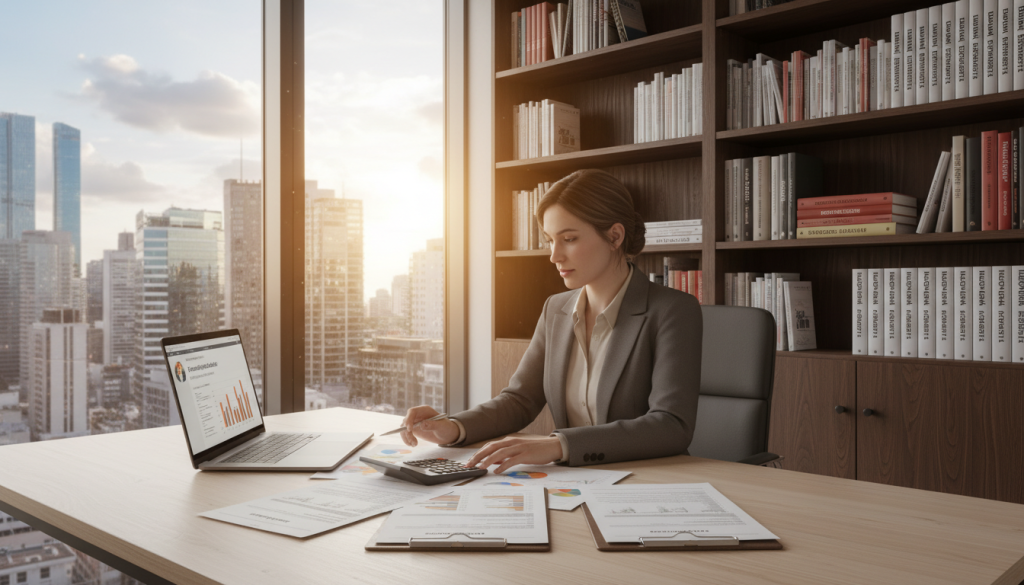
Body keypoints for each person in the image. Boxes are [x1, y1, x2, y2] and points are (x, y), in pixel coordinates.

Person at [401, 169, 702, 473]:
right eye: (549, 240)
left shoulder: (674, 311)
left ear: (614, 236)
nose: (554, 256)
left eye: (568, 239)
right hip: (577, 482)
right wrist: (452, 427)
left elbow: (670, 425)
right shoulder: (555, 309)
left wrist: (558, 445)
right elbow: (519, 401)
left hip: (652, 481)